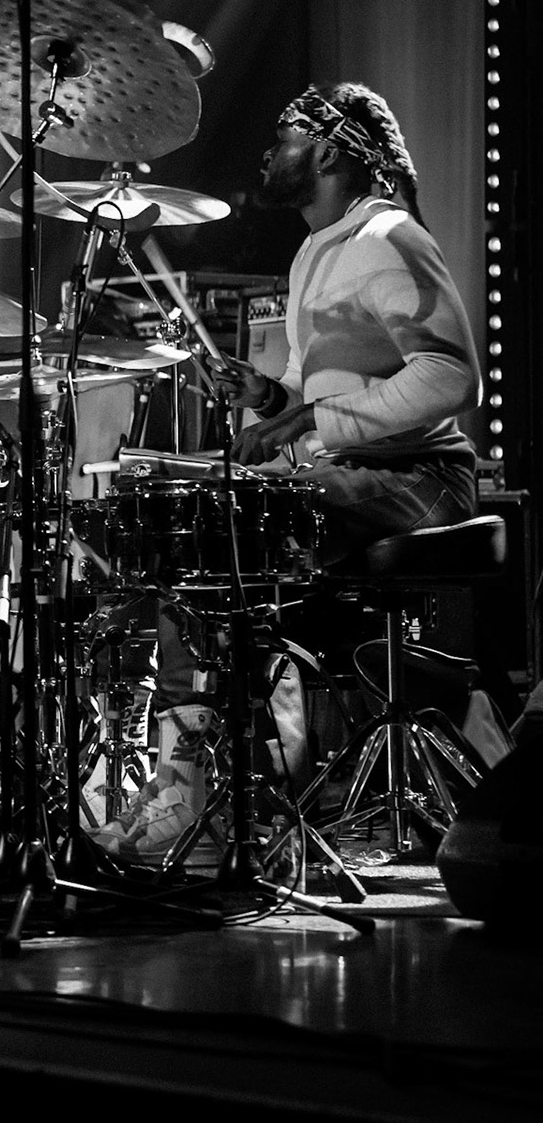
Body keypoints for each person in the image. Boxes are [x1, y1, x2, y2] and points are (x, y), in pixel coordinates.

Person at [93, 81, 481, 860]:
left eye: (287, 135)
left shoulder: (389, 239)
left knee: (225, 533)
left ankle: (199, 790)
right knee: (200, 533)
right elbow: (333, 386)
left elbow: (450, 377)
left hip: (421, 478)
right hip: (359, 473)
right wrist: (273, 394)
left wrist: (307, 420)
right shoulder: (314, 252)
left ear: (330, 150)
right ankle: (206, 782)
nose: (270, 152)